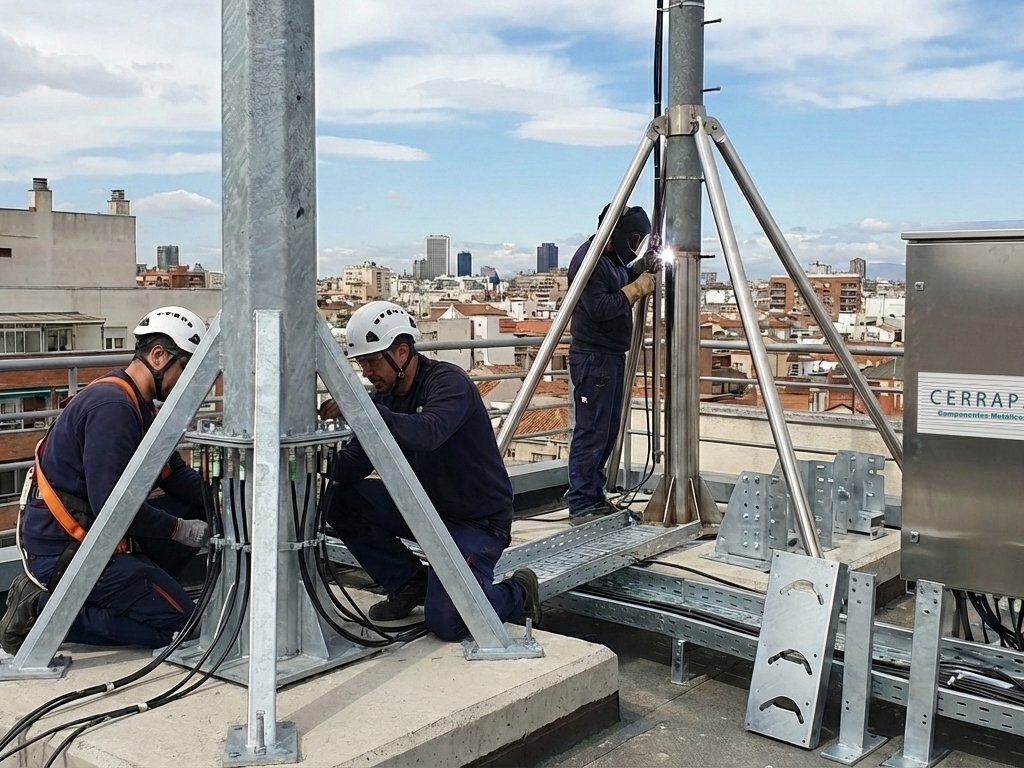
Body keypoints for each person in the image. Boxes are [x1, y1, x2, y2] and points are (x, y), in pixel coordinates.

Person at [320, 300, 541, 642]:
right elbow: (353, 465)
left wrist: (360, 410)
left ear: (403, 353)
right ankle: (409, 583)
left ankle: (518, 594)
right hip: (423, 510)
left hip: (476, 522)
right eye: (362, 364)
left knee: (447, 621)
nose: (367, 373)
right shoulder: (384, 398)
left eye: (372, 361)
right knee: (340, 498)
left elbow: (428, 433)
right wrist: (312, 454)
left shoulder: (447, 383)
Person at [0, 306, 212, 654]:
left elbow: (174, 477)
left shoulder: (138, 405)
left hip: (98, 538)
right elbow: (113, 508)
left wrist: (225, 499)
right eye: (186, 368)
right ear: (158, 355)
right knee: (182, 626)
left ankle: (142, 588)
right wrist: (179, 530)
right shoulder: (111, 408)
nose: (187, 383)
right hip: (67, 552)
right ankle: (39, 612)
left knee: (198, 504)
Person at [566, 205, 655, 525]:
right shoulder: (588, 260)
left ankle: (593, 496)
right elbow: (600, 306)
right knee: (591, 431)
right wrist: (636, 289)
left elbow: (619, 275)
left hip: (609, 357)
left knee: (606, 431)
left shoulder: (610, 259)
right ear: (615, 234)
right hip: (594, 359)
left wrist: (640, 266)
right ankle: (581, 503)